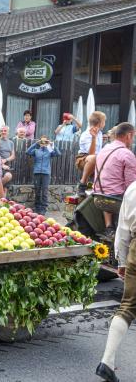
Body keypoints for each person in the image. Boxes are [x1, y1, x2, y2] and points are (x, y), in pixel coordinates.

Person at [96, 180, 136, 382]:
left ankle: (107, 362)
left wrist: (121, 260)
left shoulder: (133, 188)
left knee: (128, 306)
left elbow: (122, 229)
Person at [93, 122, 136, 238]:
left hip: (98, 196)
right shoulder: (127, 154)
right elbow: (131, 186)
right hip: (115, 200)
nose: (132, 140)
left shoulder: (104, 149)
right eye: (133, 137)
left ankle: (109, 227)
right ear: (129, 135)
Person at [26, 136, 61, 215]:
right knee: (37, 190)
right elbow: (27, 152)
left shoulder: (49, 151)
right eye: (42, 142)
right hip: (37, 172)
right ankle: (37, 207)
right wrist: (36, 143)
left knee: (44, 191)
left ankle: (43, 208)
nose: (43, 143)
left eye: (45, 142)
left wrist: (52, 144)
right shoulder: (36, 150)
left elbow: (58, 154)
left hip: (46, 173)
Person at [76, 111, 106, 196]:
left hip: (97, 158)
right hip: (83, 159)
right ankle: (83, 183)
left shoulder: (99, 133)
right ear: (100, 123)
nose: (105, 123)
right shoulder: (87, 134)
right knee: (93, 158)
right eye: (104, 121)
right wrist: (93, 138)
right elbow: (91, 154)